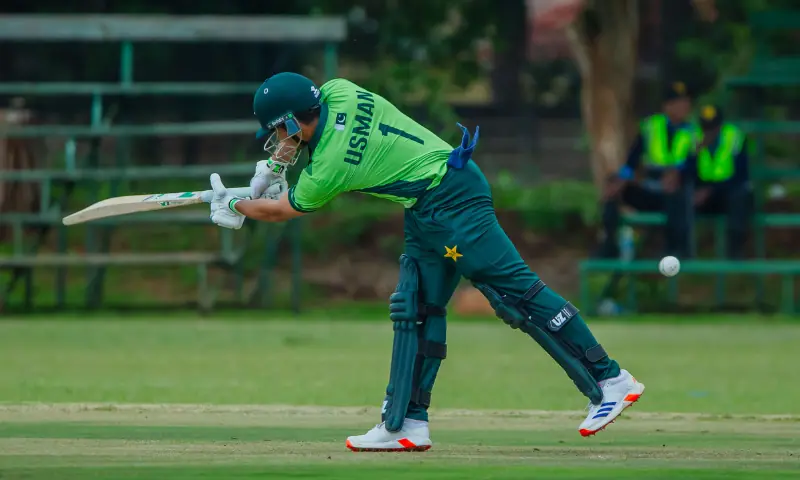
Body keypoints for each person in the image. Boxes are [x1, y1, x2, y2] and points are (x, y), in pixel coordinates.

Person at [208, 72, 645, 452]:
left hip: (452, 201)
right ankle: (405, 422)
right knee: (415, 308)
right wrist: (271, 171)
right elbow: (300, 157)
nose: (278, 140)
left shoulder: (330, 166)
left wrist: (235, 205)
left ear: (290, 121)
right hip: (426, 203)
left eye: (278, 131)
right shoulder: (340, 90)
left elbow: (283, 211)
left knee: (517, 293)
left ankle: (609, 380)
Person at [596, 81, 700, 259]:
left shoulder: (694, 133)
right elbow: (631, 162)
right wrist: (620, 180)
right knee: (614, 191)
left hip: (675, 192)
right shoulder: (651, 127)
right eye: (678, 102)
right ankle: (608, 245)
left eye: (686, 102)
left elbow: (694, 165)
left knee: (679, 195)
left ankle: (675, 249)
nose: (684, 106)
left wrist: (678, 174)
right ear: (666, 106)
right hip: (650, 187)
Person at [683, 105, 751, 259]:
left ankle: (735, 254)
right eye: (705, 128)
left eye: (712, 128)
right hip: (701, 197)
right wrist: (694, 154)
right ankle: (684, 252)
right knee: (681, 198)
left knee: (739, 197)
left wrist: (711, 190)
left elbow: (741, 176)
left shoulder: (734, 137)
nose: (708, 132)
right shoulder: (693, 138)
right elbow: (686, 172)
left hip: (727, 193)